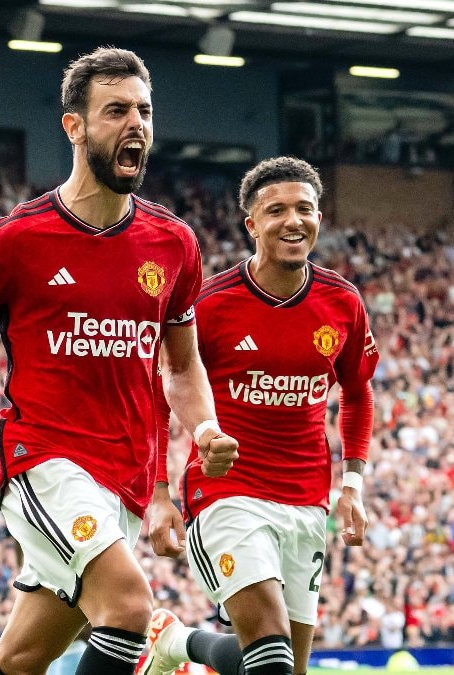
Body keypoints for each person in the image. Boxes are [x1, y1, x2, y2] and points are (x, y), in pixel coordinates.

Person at [0, 47, 237, 675]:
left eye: (144, 111)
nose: (136, 124)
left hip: (124, 477)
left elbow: (180, 366)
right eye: (116, 111)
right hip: (43, 460)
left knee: (20, 657)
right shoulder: (17, 239)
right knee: (128, 606)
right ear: (74, 126)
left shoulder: (174, 244)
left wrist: (203, 429)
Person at [138, 157, 379, 675]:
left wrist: (353, 485)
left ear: (319, 218)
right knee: (270, 651)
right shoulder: (210, 304)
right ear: (251, 224)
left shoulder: (342, 302)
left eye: (304, 209)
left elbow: (358, 392)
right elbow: (158, 393)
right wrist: (157, 492)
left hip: (307, 500)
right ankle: (180, 644)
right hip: (227, 494)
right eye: (277, 211)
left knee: (286, 667)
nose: (294, 220)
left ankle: (176, 641)